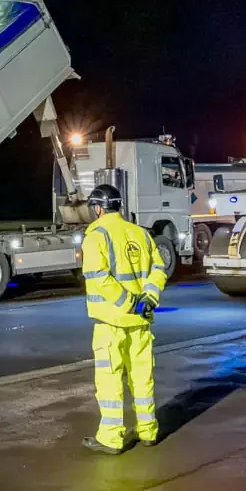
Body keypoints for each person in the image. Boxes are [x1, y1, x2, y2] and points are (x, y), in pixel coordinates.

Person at [80, 184, 168, 454]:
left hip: (112, 323)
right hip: (141, 322)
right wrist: (147, 300)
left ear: (97, 208)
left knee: (110, 380)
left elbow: (98, 277)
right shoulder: (140, 233)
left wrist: (128, 303)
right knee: (142, 379)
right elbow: (159, 267)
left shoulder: (96, 235)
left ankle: (111, 437)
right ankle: (148, 430)